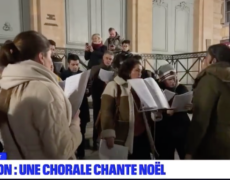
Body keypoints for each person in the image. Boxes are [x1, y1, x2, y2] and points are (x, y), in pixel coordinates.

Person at [0, 30, 82, 159]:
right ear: (41, 57)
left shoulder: (3, 87)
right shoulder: (45, 90)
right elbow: (61, 151)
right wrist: (75, 125)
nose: (51, 62)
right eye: (50, 56)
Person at [100, 57, 160, 159]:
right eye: (137, 70)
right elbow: (106, 111)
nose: (140, 73)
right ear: (128, 71)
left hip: (142, 133)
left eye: (141, 71)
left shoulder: (141, 87)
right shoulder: (114, 85)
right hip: (123, 134)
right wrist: (108, 133)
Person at [186, 44, 230, 159]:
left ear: (213, 60)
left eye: (205, 58)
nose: (203, 62)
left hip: (214, 148)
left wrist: (190, 150)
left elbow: (201, 120)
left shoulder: (210, 79)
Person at [154, 64, 190, 159]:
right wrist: (165, 112)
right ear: (162, 80)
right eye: (169, 79)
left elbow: (191, 105)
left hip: (182, 129)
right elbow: (154, 111)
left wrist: (191, 107)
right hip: (165, 131)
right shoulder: (158, 90)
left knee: (185, 154)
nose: (173, 82)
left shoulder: (182, 88)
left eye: (174, 79)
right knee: (165, 157)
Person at [60, 53, 90, 159]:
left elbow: (89, 90)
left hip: (82, 108)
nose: (75, 66)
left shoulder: (83, 75)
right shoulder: (62, 75)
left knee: (81, 132)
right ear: (68, 64)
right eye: (73, 64)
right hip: (67, 109)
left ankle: (81, 156)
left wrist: (87, 90)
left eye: (77, 64)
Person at [88, 51, 114, 150]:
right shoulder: (95, 68)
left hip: (108, 98)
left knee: (108, 118)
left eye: (110, 59)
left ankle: (106, 139)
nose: (108, 61)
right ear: (103, 58)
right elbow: (90, 81)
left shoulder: (114, 70)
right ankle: (95, 140)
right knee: (96, 118)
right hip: (97, 96)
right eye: (107, 58)